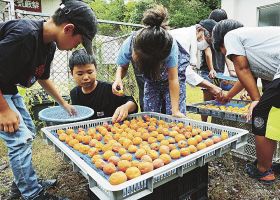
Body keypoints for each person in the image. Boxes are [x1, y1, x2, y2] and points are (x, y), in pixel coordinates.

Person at [0, 0, 97, 199]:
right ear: (68, 29)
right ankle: (33, 194)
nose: (75, 47)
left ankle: (23, 182)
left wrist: (63, 103)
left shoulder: (49, 46)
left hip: (6, 85)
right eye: (78, 42)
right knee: (19, 140)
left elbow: (43, 78)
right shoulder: (24, 34)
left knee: (29, 129)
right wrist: (3, 110)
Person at [212, 19, 280, 184]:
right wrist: (228, 95)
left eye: (222, 51)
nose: (226, 54)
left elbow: (241, 69)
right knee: (274, 113)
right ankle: (268, 164)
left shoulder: (230, 36)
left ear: (221, 42)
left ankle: (263, 170)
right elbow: (246, 77)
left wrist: (256, 100)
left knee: (261, 113)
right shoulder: (256, 42)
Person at [113, 5, 185, 117]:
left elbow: (173, 79)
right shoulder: (131, 42)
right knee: (150, 116)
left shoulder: (169, 46)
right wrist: (118, 79)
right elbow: (122, 65)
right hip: (151, 82)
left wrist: (175, 110)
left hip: (171, 81)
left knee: (174, 117)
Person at [69, 49, 138, 122]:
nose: (86, 77)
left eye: (90, 72)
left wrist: (125, 107)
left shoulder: (109, 89)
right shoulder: (74, 93)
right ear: (72, 73)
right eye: (80, 74)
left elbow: (132, 103)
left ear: (96, 70)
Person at [169, 19, 222, 97]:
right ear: (199, 30)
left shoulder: (187, 36)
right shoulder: (182, 39)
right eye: (207, 39)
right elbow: (184, 71)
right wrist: (212, 87)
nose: (206, 43)